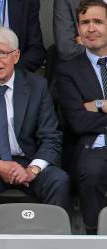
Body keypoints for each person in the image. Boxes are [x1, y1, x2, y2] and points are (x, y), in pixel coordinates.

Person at [0, 27, 70, 234]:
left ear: (16, 56)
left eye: (2, 53)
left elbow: (51, 136)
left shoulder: (37, 86)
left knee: (59, 179)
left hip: (29, 160)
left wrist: (32, 170)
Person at [56, 0, 107, 234]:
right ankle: (94, 238)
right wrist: (101, 104)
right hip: (91, 147)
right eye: (85, 22)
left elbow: (87, 114)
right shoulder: (68, 70)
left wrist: (93, 105)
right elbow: (77, 121)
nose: (91, 28)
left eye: (98, 21)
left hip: (97, 133)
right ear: (77, 29)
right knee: (91, 172)